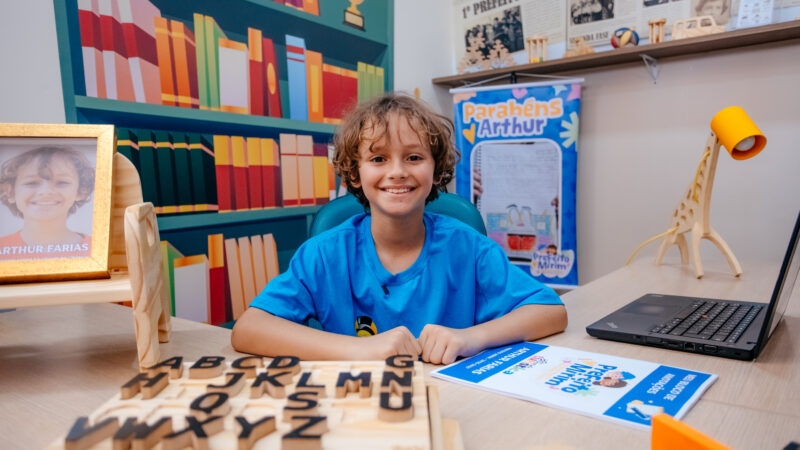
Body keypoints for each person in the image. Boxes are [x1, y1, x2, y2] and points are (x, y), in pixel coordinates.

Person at [231, 94, 567, 364]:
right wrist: (360, 349)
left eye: (414, 158)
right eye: (378, 159)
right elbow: (248, 329)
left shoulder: (469, 248)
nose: (397, 172)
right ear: (354, 174)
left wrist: (471, 338)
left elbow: (550, 311)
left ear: (436, 170)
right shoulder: (324, 254)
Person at [0, 146, 95, 261]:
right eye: (31, 182)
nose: (46, 192)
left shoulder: (97, 250)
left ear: (80, 191)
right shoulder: (2, 248)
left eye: (62, 182)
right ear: (10, 192)